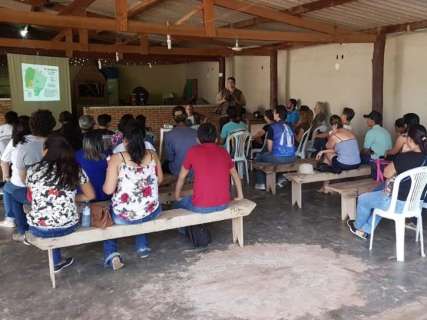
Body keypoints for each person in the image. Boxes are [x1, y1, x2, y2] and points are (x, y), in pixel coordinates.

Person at [26, 135, 95, 272]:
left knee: (45, 214)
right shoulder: (75, 169)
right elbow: (90, 195)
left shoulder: (32, 170)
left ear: (46, 151)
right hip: (68, 226)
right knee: (69, 212)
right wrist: (70, 197)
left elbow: (31, 197)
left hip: (38, 228)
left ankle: (56, 261)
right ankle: (57, 261)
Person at [348, 124, 427, 240]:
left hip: (396, 204)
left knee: (363, 199)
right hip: (415, 205)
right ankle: (366, 229)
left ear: (409, 140)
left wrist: (403, 153)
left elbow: (386, 174)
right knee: (379, 193)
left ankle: (358, 227)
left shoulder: (404, 157)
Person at [103, 121, 163, 270]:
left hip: (123, 217)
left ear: (124, 141)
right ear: (144, 139)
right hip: (152, 212)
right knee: (141, 205)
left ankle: (112, 255)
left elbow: (109, 190)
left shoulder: (117, 158)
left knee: (109, 213)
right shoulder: (153, 154)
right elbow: (160, 179)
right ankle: (142, 247)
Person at [5, 110, 56, 243]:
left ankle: (23, 231)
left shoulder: (23, 146)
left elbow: (24, 179)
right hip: (60, 192)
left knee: (12, 194)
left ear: (32, 126)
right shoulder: (60, 142)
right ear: (53, 125)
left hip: (37, 193)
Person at [174, 123, 244, 213]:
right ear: (216, 139)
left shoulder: (193, 151)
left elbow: (182, 176)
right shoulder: (223, 151)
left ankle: (185, 227)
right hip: (223, 204)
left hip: (201, 207)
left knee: (177, 204)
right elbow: (235, 175)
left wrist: (177, 196)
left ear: (198, 140)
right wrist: (240, 195)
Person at [255, 105, 296, 190]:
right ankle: (280, 179)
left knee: (259, 157)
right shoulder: (290, 126)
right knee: (273, 157)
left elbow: (270, 149)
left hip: (279, 158)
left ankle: (261, 183)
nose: (273, 114)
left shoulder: (272, 127)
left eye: (274, 112)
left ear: (277, 114)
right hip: (292, 157)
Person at [0, 116, 30, 228]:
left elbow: (4, 161)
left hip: (22, 185)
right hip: (41, 184)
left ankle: (10, 219)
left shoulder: (15, 142)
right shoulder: (41, 140)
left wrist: (6, 177)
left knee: (7, 189)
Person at [75, 131, 110, 202]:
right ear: (100, 142)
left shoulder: (76, 155)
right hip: (104, 194)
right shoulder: (108, 154)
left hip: (84, 194)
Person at [163, 106, 197, 176]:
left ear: (173, 118)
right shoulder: (196, 132)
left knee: (163, 164)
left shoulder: (169, 135)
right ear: (186, 116)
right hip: (194, 169)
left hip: (177, 170)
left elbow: (170, 158)